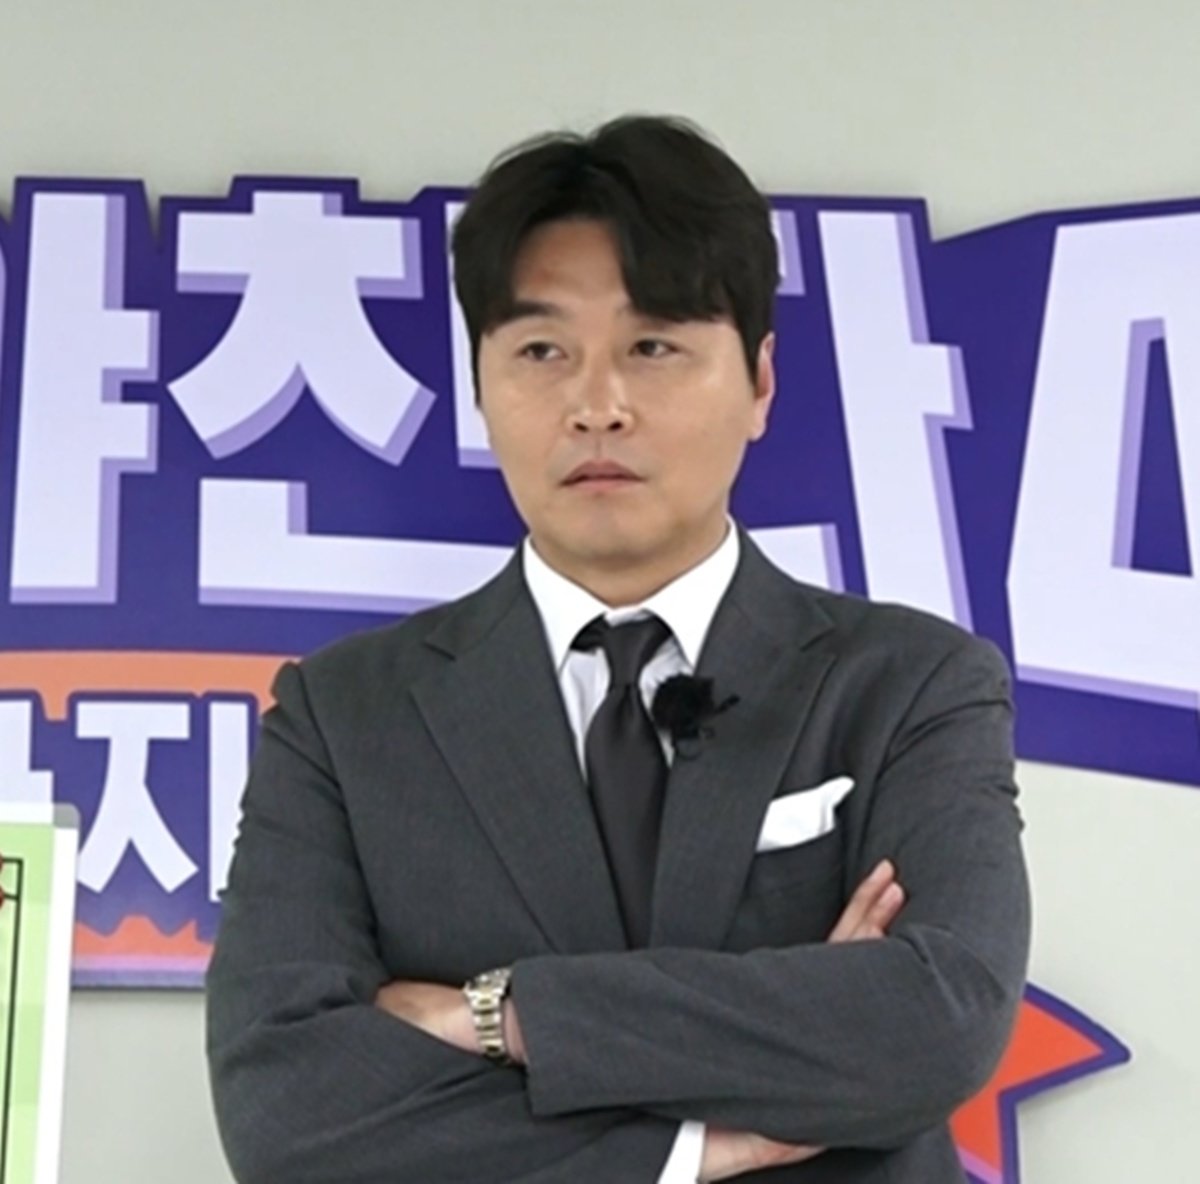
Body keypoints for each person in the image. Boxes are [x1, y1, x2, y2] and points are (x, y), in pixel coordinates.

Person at [206, 115, 1030, 1183]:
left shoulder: (911, 684)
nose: (597, 406)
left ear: (760, 381)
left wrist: (500, 1016)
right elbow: (285, 1110)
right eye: (542, 351)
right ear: (481, 385)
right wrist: (696, 1143)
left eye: (653, 346)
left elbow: (937, 1018)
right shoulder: (344, 716)